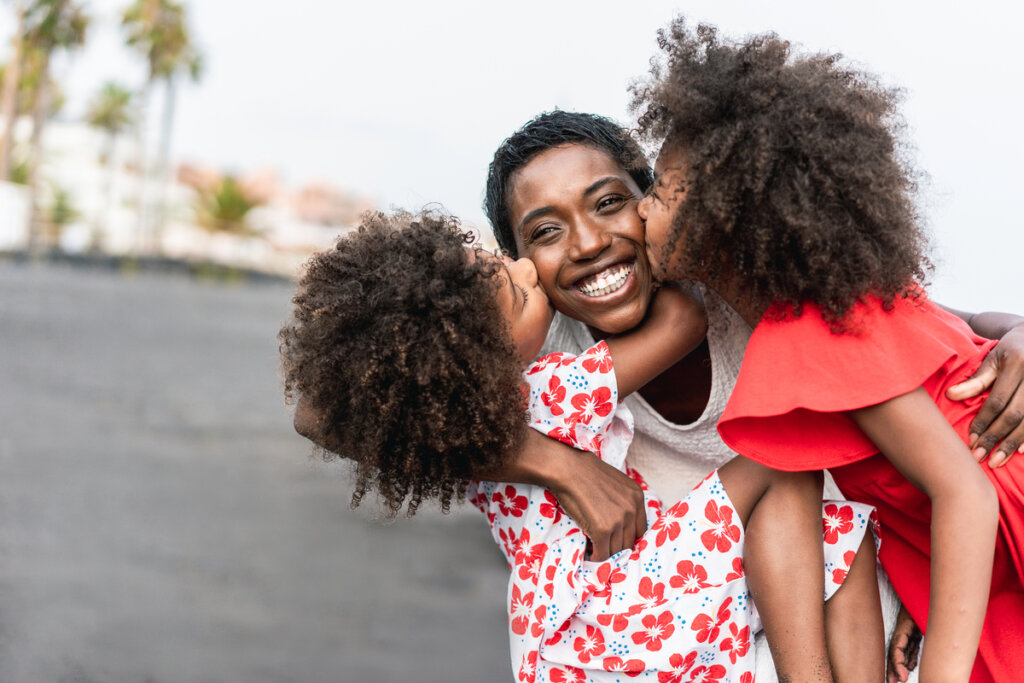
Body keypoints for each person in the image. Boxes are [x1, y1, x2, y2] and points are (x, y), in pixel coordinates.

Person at [481, 109, 1024, 680]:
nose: (589, 243)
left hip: (869, 573)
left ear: (653, 204)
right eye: (546, 231)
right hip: (689, 618)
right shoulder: (546, 348)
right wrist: (560, 464)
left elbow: (933, 328)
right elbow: (417, 424)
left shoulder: (754, 287)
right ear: (517, 263)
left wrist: (1019, 331)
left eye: (612, 202)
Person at [279, 209, 883, 681]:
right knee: (787, 472)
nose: (525, 269)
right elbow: (682, 321)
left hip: (566, 646)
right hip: (628, 600)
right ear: (486, 358)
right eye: (517, 292)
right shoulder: (552, 391)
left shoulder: (443, 429)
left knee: (826, 526)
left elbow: (315, 413)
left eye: (504, 261)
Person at [630, 17, 1024, 682]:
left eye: (662, 192)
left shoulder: (815, 329)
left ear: (729, 217)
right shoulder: (842, 302)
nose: (641, 212)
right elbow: (968, 326)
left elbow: (967, 495)